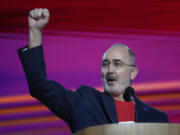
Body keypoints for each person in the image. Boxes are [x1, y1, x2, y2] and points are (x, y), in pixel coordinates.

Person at [18, 8, 169, 133]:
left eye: (117, 64)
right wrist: (35, 32)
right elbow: (39, 85)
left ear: (133, 72)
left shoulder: (157, 118)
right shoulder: (83, 102)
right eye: (105, 64)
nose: (109, 70)